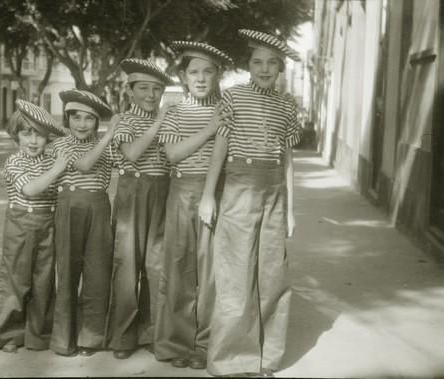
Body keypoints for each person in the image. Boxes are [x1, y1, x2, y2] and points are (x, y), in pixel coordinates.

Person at [198, 29, 302, 377]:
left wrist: (290, 208)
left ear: (281, 68)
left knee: (272, 275)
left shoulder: (288, 105)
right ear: (247, 66)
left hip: (274, 190)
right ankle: (230, 361)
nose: (264, 68)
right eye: (257, 61)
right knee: (236, 274)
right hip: (239, 189)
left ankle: (267, 357)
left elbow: (287, 158)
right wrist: (208, 195)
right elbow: (220, 148)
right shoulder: (232, 97)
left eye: (272, 63)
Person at [154, 41, 233, 370]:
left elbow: (223, 152)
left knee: (210, 271)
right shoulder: (173, 112)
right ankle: (175, 343)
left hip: (212, 192)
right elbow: (173, 155)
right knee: (177, 267)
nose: (200, 78)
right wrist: (211, 128)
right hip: (180, 191)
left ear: (217, 76)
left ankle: (204, 344)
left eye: (208, 71)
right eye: (193, 72)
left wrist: (210, 195)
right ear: (183, 77)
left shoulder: (227, 109)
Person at [106, 58, 173, 359]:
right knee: (127, 265)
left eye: (157, 89)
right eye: (143, 88)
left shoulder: (169, 120)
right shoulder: (123, 120)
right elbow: (132, 153)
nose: (151, 95)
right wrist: (160, 122)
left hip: (163, 191)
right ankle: (122, 337)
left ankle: (153, 332)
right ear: (130, 90)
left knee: (157, 266)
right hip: (133, 192)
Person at [0, 99, 67, 353]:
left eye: (40, 135)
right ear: (15, 136)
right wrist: (57, 169)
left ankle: (39, 333)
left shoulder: (50, 158)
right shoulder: (14, 162)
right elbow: (31, 190)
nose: (33, 141)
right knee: (17, 279)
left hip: (48, 223)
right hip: (21, 223)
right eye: (26, 133)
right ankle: (9, 334)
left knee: (44, 279)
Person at [49, 89, 115, 357]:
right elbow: (86, 165)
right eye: (76, 117)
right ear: (67, 118)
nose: (82, 124)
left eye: (89, 118)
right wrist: (109, 136)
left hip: (99, 208)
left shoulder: (105, 146)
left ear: (97, 122)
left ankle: (91, 337)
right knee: (66, 272)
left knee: (97, 273)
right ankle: (64, 339)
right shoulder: (61, 144)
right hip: (69, 208)